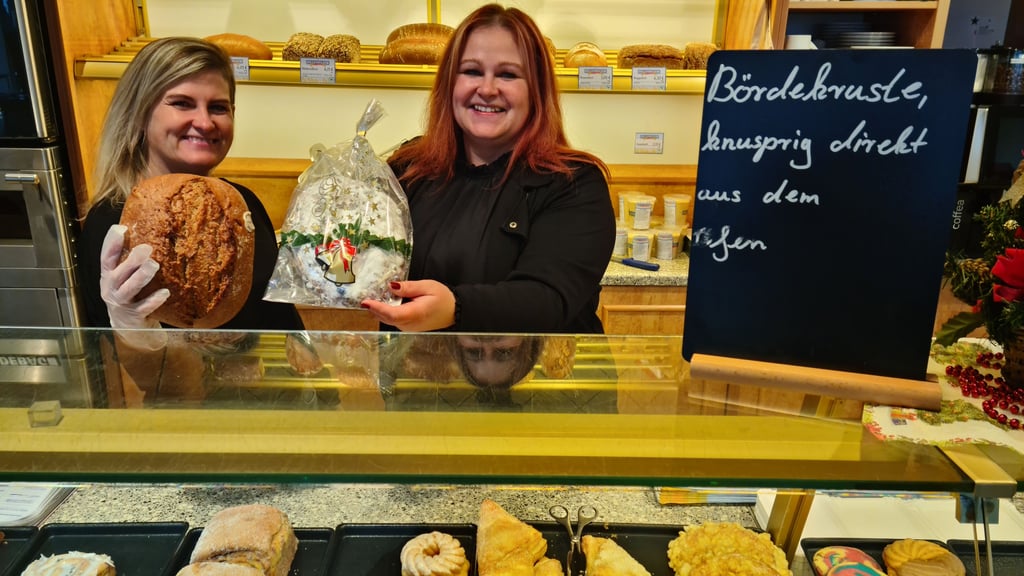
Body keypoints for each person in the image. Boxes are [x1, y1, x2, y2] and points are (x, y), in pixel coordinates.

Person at [360, 3, 616, 334]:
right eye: (472, 71)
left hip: (540, 382)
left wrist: (456, 308)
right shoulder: (409, 170)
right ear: (450, 83)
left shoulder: (573, 182)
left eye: (508, 74)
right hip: (418, 378)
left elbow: (547, 298)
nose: (487, 88)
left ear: (536, 91)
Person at [76, 37, 304, 406]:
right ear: (140, 112)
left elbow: (282, 316)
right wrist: (135, 332)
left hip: (284, 405)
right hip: (197, 419)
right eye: (182, 103)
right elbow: (147, 375)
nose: (205, 122)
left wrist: (321, 399)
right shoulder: (114, 223)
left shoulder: (241, 201)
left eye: (219, 107)